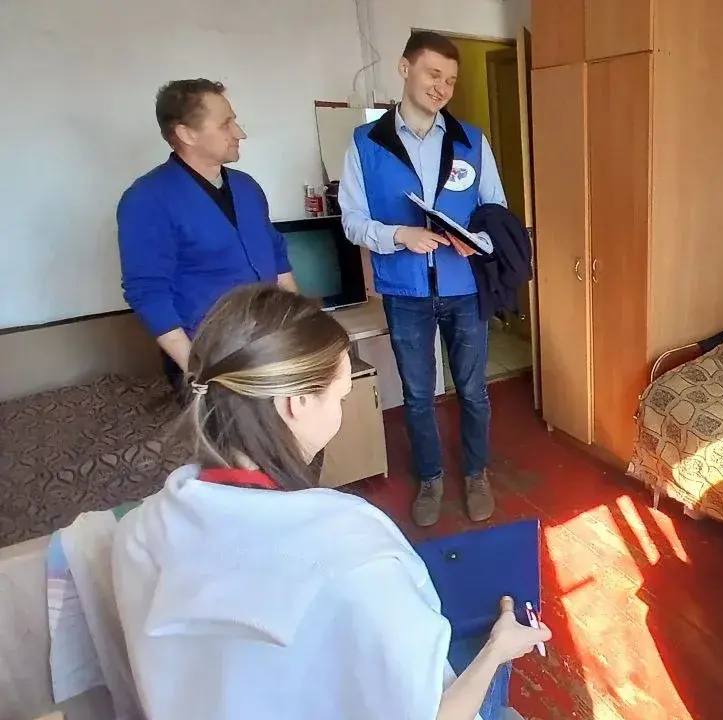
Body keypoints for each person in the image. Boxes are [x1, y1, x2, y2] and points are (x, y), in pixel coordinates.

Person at [112, 285, 550, 720]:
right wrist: (497, 650)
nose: (341, 409)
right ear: (298, 402)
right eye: (341, 396)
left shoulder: (137, 530)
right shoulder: (352, 551)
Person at [339, 31, 508, 526]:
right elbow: (352, 221)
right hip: (405, 292)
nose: (442, 88)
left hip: (464, 288)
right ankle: (431, 477)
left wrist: (477, 239)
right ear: (404, 68)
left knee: (473, 391)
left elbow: (495, 209)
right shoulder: (366, 143)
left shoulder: (471, 140)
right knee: (417, 395)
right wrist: (400, 235)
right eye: (434, 74)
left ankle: (475, 472)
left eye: (450, 80)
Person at [117, 79, 297, 387]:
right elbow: (147, 292)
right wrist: (198, 372)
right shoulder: (147, 199)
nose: (239, 133)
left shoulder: (247, 187)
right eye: (226, 124)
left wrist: (301, 329)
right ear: (186, 133)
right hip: (209, 356)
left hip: (267, 342)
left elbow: (277, 259)